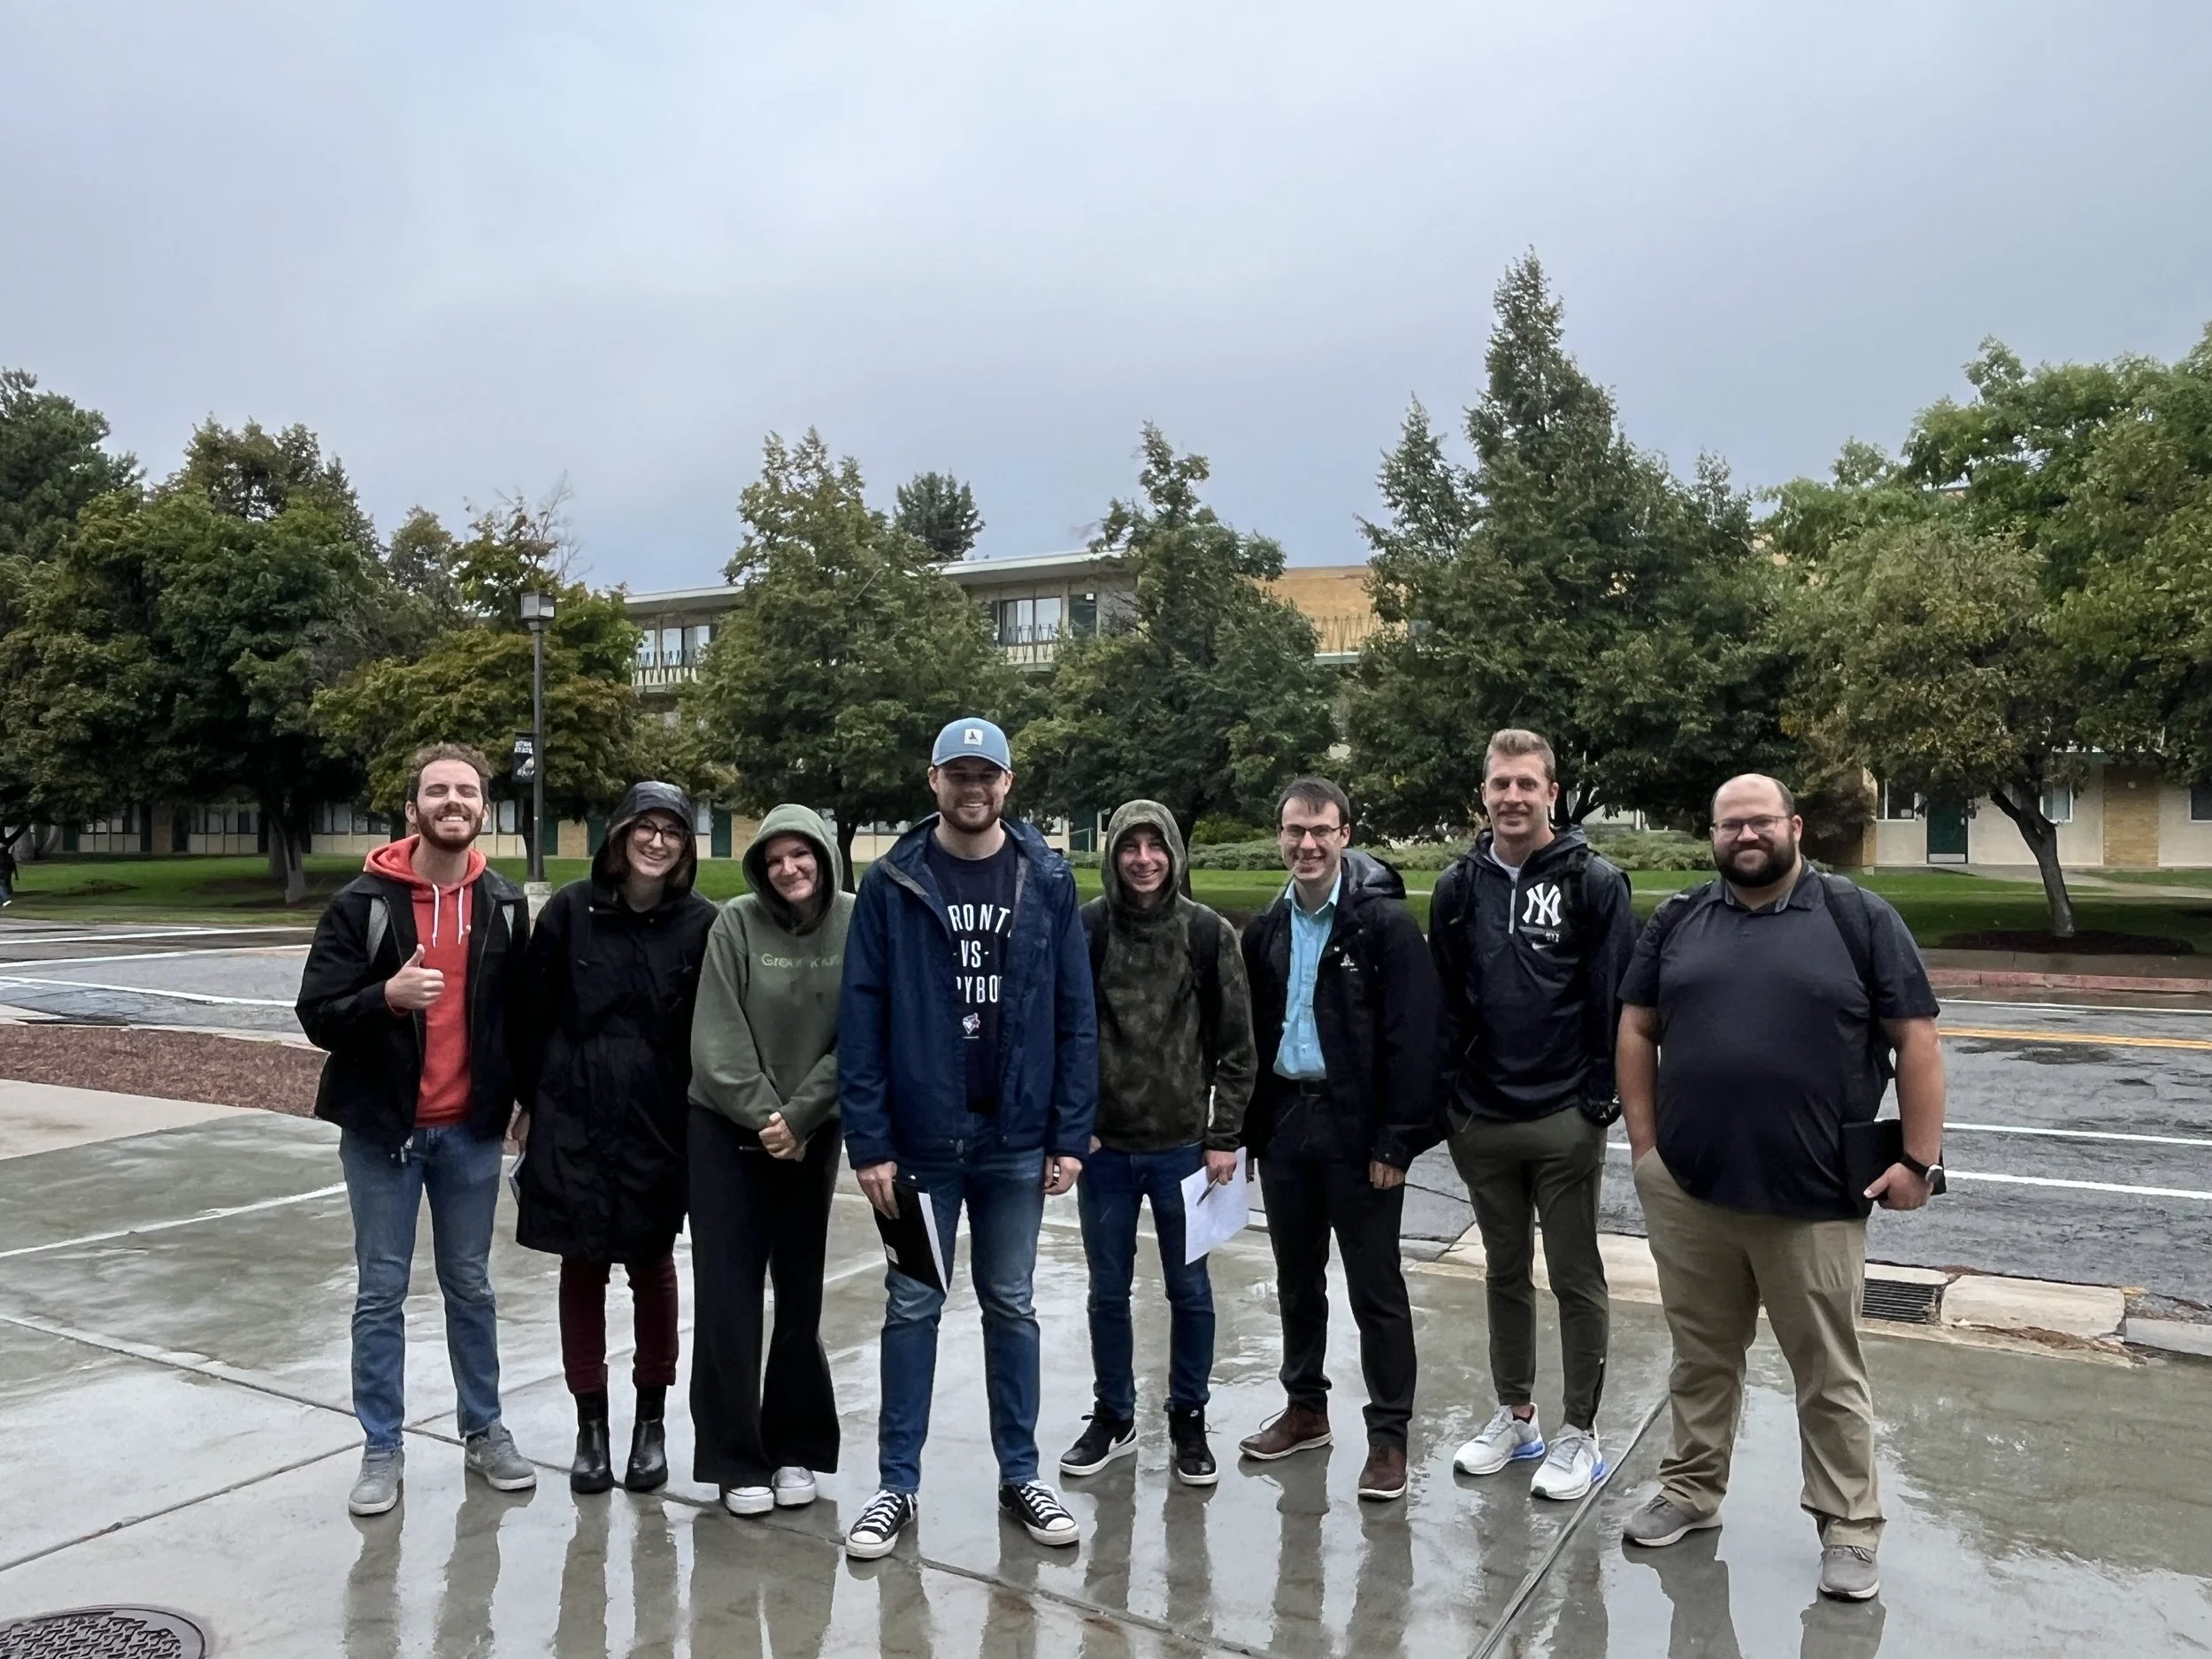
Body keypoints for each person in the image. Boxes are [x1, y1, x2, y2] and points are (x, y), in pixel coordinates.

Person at [1617, 773, 1947, 1604]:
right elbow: (1636, 1026)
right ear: (1714, 835)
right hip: (1694, 1191)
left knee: (1828, 1372)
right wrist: (1647, 1150)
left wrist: (1918, 1161)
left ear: (1794, 827)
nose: (1746, 835)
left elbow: (1916, 1039)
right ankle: (1691, 1490)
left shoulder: (1857, 918)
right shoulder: (1679, 919)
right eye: (1730, 824)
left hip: (1815, 1198)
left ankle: (1850, 1526)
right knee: (1701, 1358)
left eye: (1761, 820)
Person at [837, 715, 1098, 1560]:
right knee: (913, 1303)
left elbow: (1075, 1013)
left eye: (987, 775)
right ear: (935, 780)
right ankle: (896, 1484)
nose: (974, 788)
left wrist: (1070, 1131)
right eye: (959, 774)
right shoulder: (894, 881)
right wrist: (869, 1142)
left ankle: (1021, 1472)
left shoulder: (1045, 878)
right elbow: (862, 1017)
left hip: (1014, 1139)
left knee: (1011, 1303)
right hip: (920, 1145)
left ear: (1008, 783)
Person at [296, 742, 536, 1517]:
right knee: (381, 1291)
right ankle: (381, 1446)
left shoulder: (503, 902)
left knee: (471, 1285)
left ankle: (484, 1428)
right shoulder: (362, 904)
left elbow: (518, 1018)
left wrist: (527, 1099)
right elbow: (317, 1014)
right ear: (412, 808)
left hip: (470, 1133)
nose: (453, 801)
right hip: (383, 1135)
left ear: (484, 809)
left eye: (466, 791)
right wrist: (387, 997)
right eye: (438, 790)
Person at [1429, 730, 1636, 1502]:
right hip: (1481, 1116)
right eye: (1500, 783)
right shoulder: (1459, 887)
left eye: (1526, 783)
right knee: (1503, 1270)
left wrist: (1597, 1098)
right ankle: (1517, 1417)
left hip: (1563, 1115)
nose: (1512, 796)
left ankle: (1581, 1432)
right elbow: (1445, 1001)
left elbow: (1615, 995)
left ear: (1552, 792)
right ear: (1483, 794)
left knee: (1576, 1275)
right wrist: (1449, 1098)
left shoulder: (1594, 881)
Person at [1236, 776, 1438, 1503]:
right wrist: (1247, 1133)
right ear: (1280, 836)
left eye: (1322, 829)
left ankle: (1389, 1436)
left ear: (1345, 835)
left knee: (1376, 1286)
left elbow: (1415, 1040)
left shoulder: (1382, 926)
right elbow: (1250, 1037)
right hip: (1287, 1122)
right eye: (1295, 830)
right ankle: (1306, 1408)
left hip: (1359, 1130)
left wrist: (1396, 1141)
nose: (1308, 843)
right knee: (1297, 1279)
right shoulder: (1266, 929)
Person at [514, 781, 716, 1497]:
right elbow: (530, 1014)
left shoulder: (702, 924)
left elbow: (712, 1030)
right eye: (645, 827)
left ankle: (650, 1422)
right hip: (574, 1108)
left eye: (672, 830)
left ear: (685, 846)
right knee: (582, 1265)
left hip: (658, 1115)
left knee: (652, 1264)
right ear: (621, 833)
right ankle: (591, 1427)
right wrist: (527, 1102)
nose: (657, 841)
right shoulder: (570, 911)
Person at [1057, 800, 1258, 1488]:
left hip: (1186, 1150)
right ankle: (1114, 1413)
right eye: (1130, 846)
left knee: (1190, 1290)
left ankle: (1188, 1416)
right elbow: (1063, 1033)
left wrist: (1224, 1135)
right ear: (1113, 853)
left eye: (1156, 845)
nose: (1143, 859)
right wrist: (1072, 1124)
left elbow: (1238, 1047)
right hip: (1104, 1151)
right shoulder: (1085, 930)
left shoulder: (1207, 934)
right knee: (1107, 1291)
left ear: (1174, 852)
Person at [687, 804, 854, 1517]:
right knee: (728, 1296)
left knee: (800, 1293)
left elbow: (863, 1029)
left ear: (823, 855)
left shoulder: (856, 921)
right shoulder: (734, 925)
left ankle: (795, 1444)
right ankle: (734, 1456)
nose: (789, 868)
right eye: (775, 858)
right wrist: (769, 1117)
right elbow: (716, 1037)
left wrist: (803, 1115)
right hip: (725, 1130)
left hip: (813, 1132)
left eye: (801, 854)